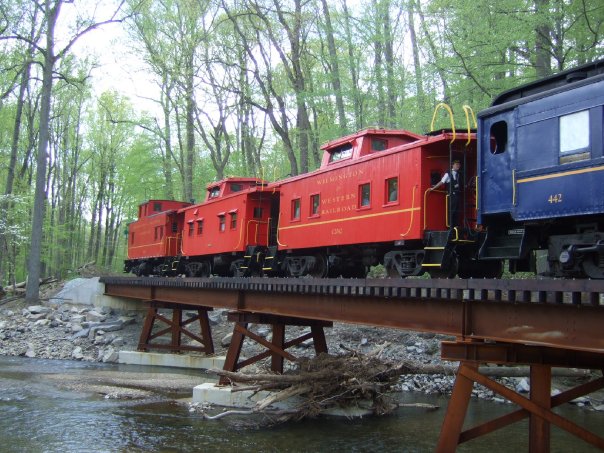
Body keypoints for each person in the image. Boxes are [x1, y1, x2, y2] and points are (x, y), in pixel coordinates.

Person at [430, 159, 462, 228]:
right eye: (456, 164)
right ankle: (450, 226)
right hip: (451, 195)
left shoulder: (458, 175)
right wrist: (433, 188)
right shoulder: (448, 174)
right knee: (452, 211)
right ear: (452, 165)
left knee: (457, 211)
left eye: (459, 164)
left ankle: (456, 226)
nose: (458, 166)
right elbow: (442, 182)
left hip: (457, 195)